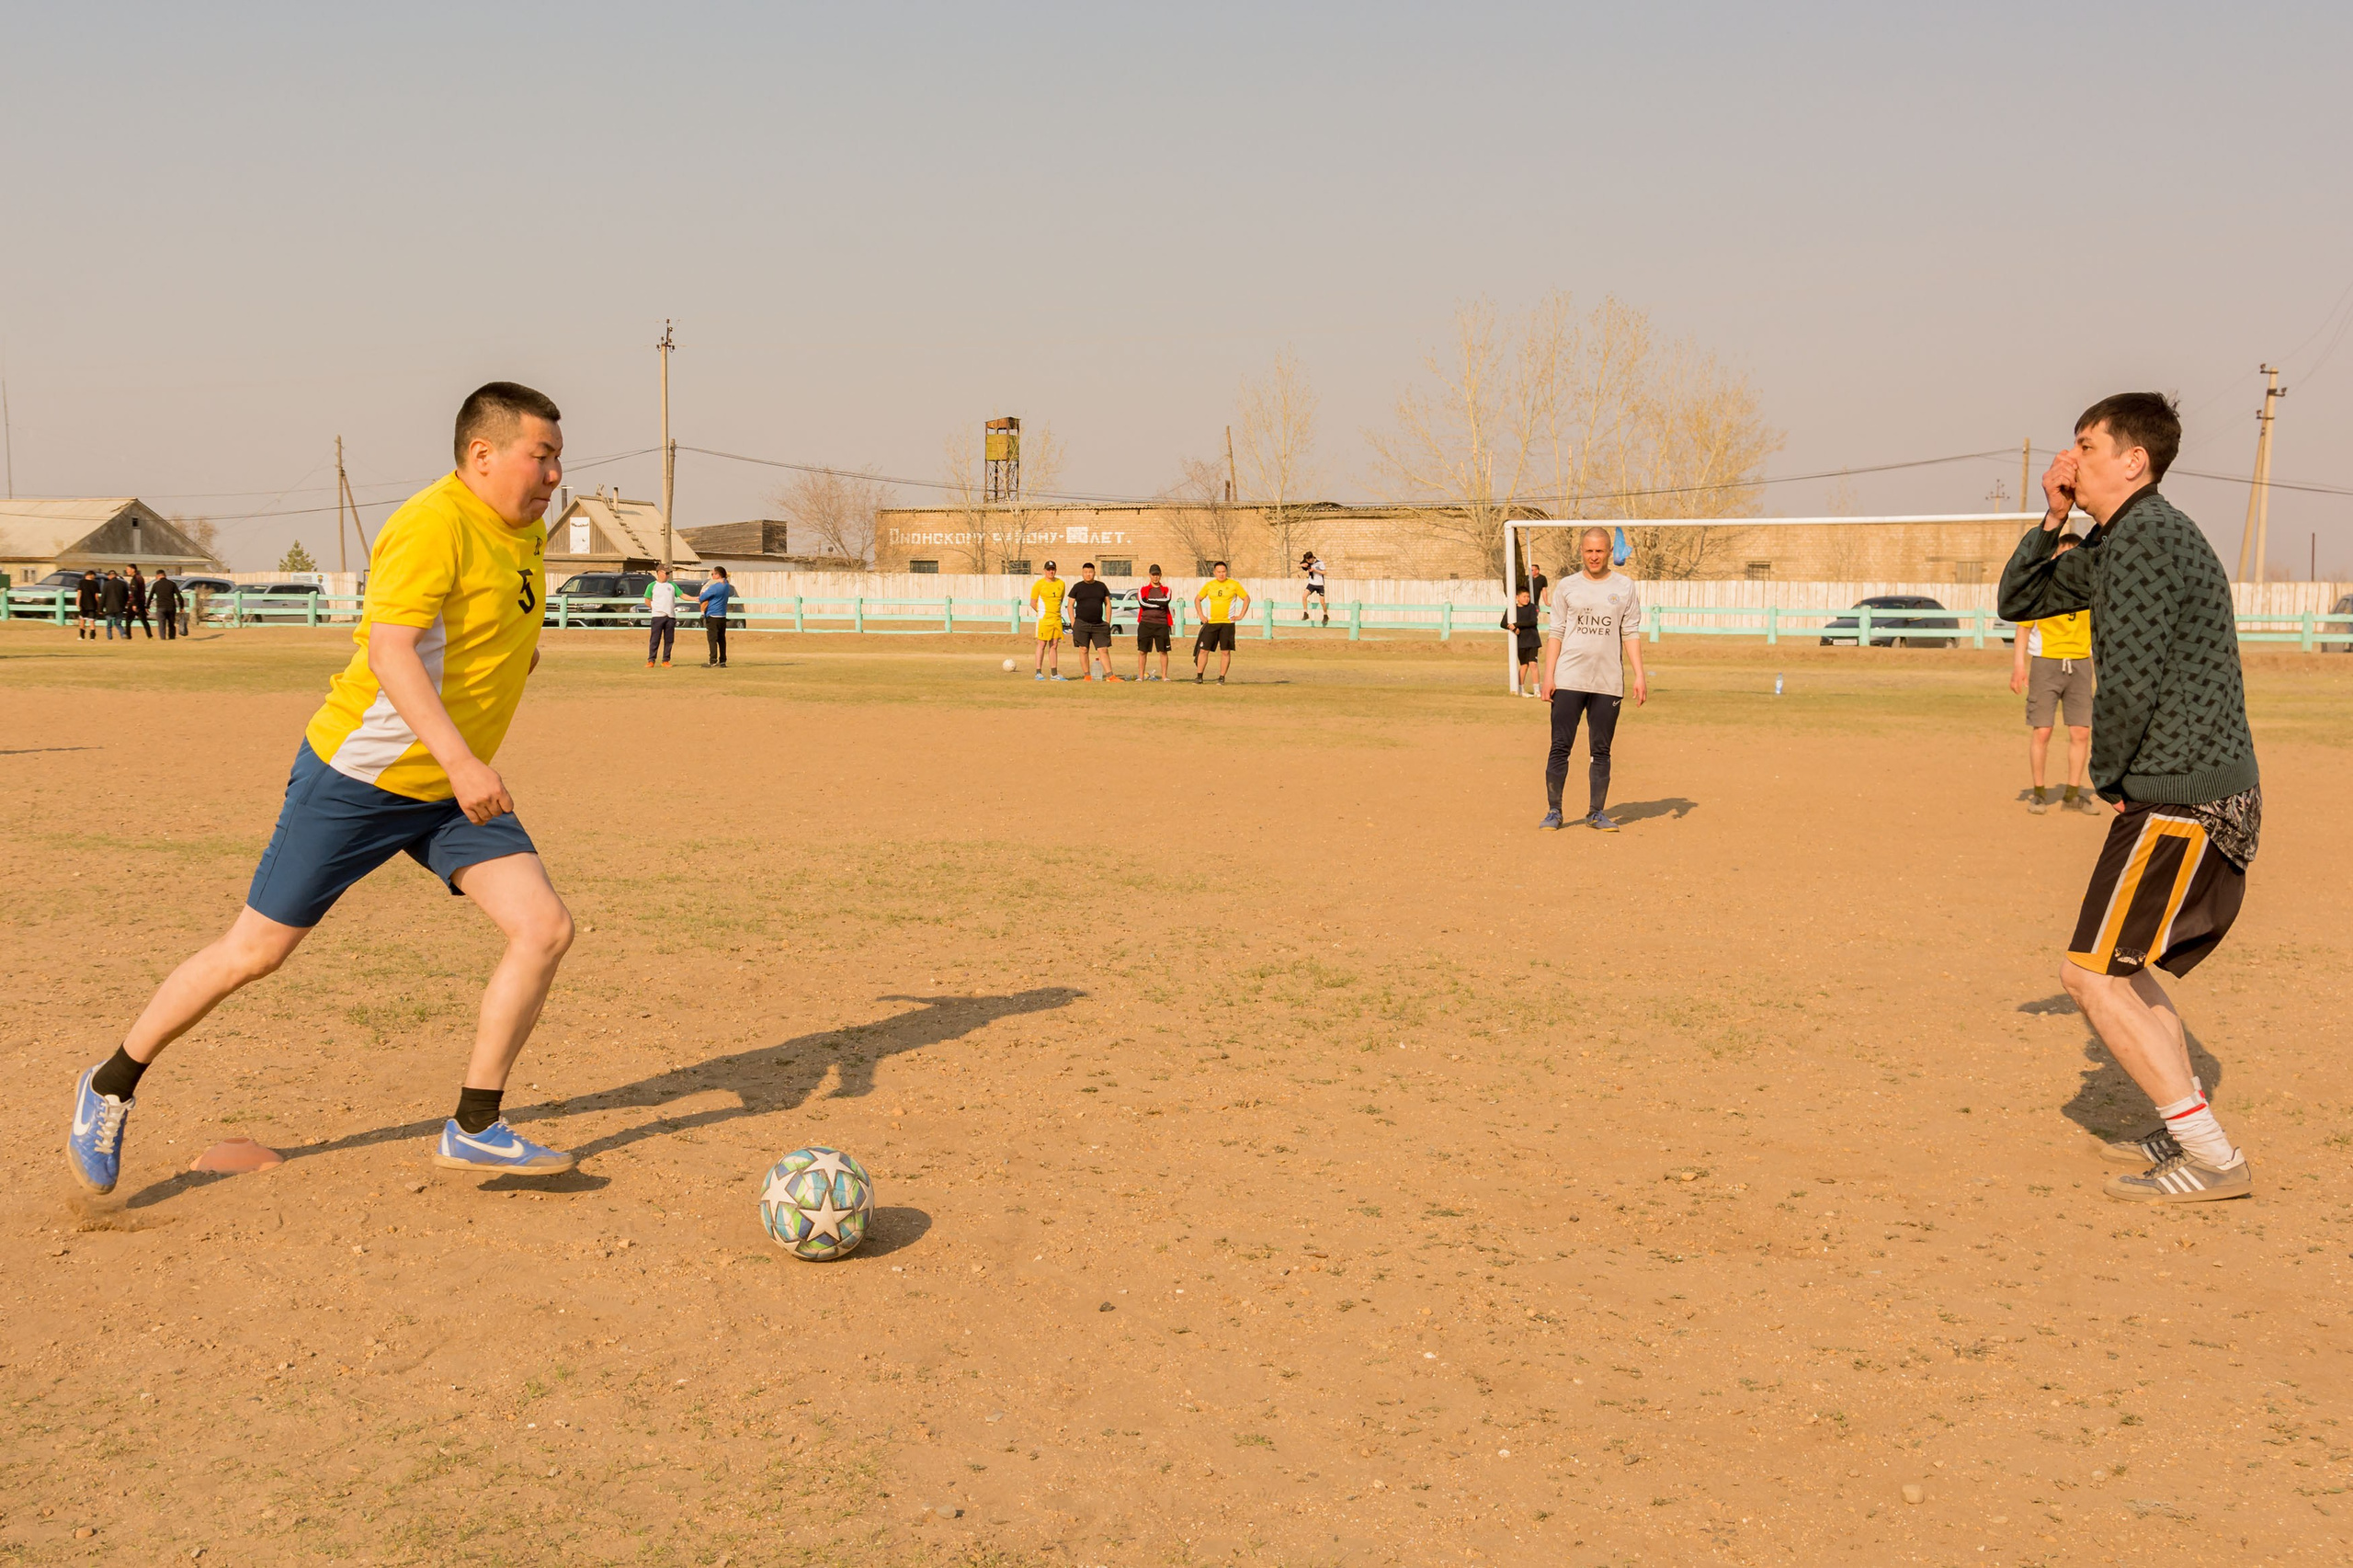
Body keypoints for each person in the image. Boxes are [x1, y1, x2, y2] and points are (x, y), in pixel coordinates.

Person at [66, 381, 582, 1199]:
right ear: (482, 455)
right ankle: (111, 1082)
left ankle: (475, 1127)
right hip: (362, 779)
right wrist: (462, 761)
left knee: (545, 927)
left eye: (557, 457)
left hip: (447, 792)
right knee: (255, 952)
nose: (554, 474)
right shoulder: (430, 524)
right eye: (541, 455)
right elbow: (391, 654)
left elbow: (488, 628)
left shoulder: (521, 533)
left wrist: (513, 664)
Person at [1999, 392, 2259, 1204]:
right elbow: (2021, 601)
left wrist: (2110, 782)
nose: (2070, 458)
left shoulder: (2147, 539)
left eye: (2086, 445)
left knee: (2090, 978)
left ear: (2133, 459)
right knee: (2123, 969)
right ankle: (2189, 1135)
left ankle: (2211, 1156)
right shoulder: (2118, 539)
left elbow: (2132, 690)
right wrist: (2052, 518)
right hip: (2185, 793)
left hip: (2184, 799)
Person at [1538, 526, 1648, 831]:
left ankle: (1596, 812)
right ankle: (1554, 811)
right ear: (1581, 552)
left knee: (1601, 750)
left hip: (1607, 681)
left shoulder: (1625, 587)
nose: (1594, 556)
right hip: (1569, 678)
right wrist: (1548, 677)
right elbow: (1556, 633)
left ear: (1610, 552)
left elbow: (1631, 632)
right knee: (1560, 746)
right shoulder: (1567, 586)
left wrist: (1639, 675)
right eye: (1589, 550)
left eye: (1600, 550)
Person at [2009, 533, 2098, 814]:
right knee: (2043, 731)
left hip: (2081, 664)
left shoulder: (2091, 591)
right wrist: (2019, 667)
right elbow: (2022, 629)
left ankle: (2072, 794)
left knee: (2081, 732)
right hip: (2046, 663)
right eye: (2064, 555)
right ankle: (2039, 793)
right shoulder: (2042, 589)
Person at [1192, 562, 1250, 685]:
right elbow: (1198, 599)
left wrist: (1241, 615)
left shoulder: (1234, 585)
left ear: (1226, 572)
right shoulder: (1209, 585)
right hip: (1212, 623)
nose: (1221, 574)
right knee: (1203, 650)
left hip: (1227, 623)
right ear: (1214, 572)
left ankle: (1221, 677)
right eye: (1218, 572)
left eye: (1223, 571)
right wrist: (1201, 615)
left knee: (1225, 651)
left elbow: (1246, 599)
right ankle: (1199, 676)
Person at [1067, 562, 1119, 681]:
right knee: (1083, 649)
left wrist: (1108, 621)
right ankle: (1087, 675)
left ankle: (1110, 676)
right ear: (1082, 573)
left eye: (1090, 572)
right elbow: (1070, 605)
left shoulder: (1101, 586)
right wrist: (1073, 622)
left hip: (1099, 624)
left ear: (1094, 573)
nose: (1088, 574)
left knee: (1103, 649)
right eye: (1086, 572)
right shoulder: (1077, 587)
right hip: (1081, 623)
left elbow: (1108, 604)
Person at [1134, 563, 1178, 680]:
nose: (1155, 577)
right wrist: (1158, 604)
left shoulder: (1166, 589)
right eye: (1153, 575)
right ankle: (1140, 676)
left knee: (1163, 651)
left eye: (1157, 574)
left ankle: (1164, 676)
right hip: (1145, 623)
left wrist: (1151, 602)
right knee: (1143, 651)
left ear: (1160, 575)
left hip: (1161, 624)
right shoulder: (1143, 589)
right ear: (1149, 575)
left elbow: (1165, 601)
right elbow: (1142, 603)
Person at [1029, 561, 1068, 681]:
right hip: (1044, 619)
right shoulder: (1039, 584)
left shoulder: (1061, 583)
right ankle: (1038, 672)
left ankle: (1054, 674)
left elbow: (1060, 600)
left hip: (1056, 619)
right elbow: (1032, 602)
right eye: (1048, 569)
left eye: (1053, 569)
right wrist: (1041, 613)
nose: (1051, 571)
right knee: (1042, 644)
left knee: (1054, 645)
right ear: (1045, 570)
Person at [1501, 587, 1540, 694]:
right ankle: (1520, 689)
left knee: (1533, 664)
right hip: (1520, 641)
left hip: (1532, 640)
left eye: (1528, 597)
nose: (1526, 599)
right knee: (1524, 665)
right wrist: (1513, 628)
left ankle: (1537, 690)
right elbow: (1503, 623)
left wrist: (1517, 625)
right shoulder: (1511, 609)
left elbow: (1533, 622)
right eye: (1524, 596)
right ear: (1517, 597)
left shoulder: (1532, 607)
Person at [695, 567, 736, 667]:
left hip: (713, 615)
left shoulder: (715, 587)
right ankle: (722, 660)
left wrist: (702, 594)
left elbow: (702, 598)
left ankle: (712, 660)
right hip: (722, 615)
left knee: (712, 639)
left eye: (713, 574)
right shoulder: (726, 585)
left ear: (718, 575)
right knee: (721, 639)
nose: (712, 576)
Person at [643, 564, 683, 667]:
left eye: (669, 573)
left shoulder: (672, 585)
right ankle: (651, 660)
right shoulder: (652, 585)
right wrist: (655, 608)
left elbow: (682, 595)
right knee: (655, 639)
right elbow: (647, 600)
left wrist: (694, 599)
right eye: (666, 573)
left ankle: (666, 660)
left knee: (669, 640)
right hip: (658, 616)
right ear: (659, 573)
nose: (668, 575)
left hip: (670, 616)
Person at [150, 572, 183, 642]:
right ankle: (172, 637)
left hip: (160, 607)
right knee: (171, 623)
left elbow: (150, 596)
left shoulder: (156, 585)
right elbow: (179, 596)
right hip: (171, 607)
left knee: (161, 624)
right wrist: (181, 607)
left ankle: (163, 638)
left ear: (158, 576)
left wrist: (147, 606)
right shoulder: (172, 584)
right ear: (165, 575)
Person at [100, 569, 131, 641]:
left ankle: (109, 637)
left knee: (109, 624)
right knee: (118, 623)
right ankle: (123, 634)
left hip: (109, 607)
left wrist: (100, 609)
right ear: (116, 575)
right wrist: (124, 604)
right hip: (119, 607)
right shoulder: (123, 584)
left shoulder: (107, 584)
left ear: (109, 576)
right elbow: (126, 596)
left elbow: (103, 597)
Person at [1301, 550, 1328, 625]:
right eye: (1307, 561)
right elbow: (1299, 565)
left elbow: (1325, 572)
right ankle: (1305, 613)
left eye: (1309, 560)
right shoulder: (1307, 562)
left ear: (1312, 558)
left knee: (1322, 602)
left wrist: (1315, 570)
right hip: (1312, 583)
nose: (1309, 562)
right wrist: (1302, 565)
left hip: (1320, 584)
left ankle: (1325, 615)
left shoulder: (1320, 563)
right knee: (1304, 596)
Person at [128, 565, 154, 639]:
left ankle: (128, 636)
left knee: (128, 619)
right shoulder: (140, 577)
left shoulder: (135, 579)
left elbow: (135, 592)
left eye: (128, 569)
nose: (127, 571)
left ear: (133, 570)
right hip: (141, 601)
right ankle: (149, 635)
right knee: (144, 620)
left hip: (136, 602)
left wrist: (134, 604)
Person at [74, 569, 100, 640]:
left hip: (83, 604)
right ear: (91, 575)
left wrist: (77, 603)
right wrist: (98, 605)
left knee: (82, 620)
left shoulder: (81, 582)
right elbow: (96, 596)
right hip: (92, 605)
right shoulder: (95, 583)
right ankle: (92, 637)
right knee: (91, 621)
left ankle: (82, 636)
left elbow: (79, 593)